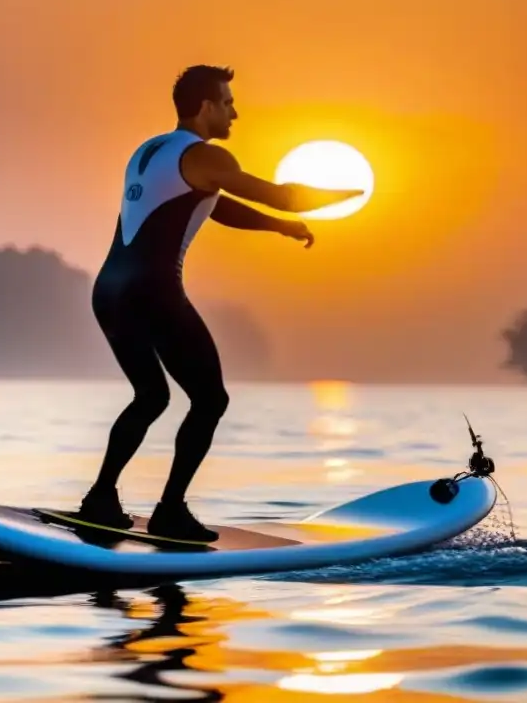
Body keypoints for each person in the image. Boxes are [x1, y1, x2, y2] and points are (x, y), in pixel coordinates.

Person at [77, 65, 363, 542]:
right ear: (206, 106)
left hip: (110, 291)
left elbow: (214, 204)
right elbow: (283, 195)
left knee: (151, 397)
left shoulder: (150, 151)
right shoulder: (207, 155)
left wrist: (278, 227)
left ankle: (100, 499)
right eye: (228, 102)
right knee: (210, 399)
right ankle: (170, 511)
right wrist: (345, 195)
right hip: (153, 292)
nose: (235, 111)